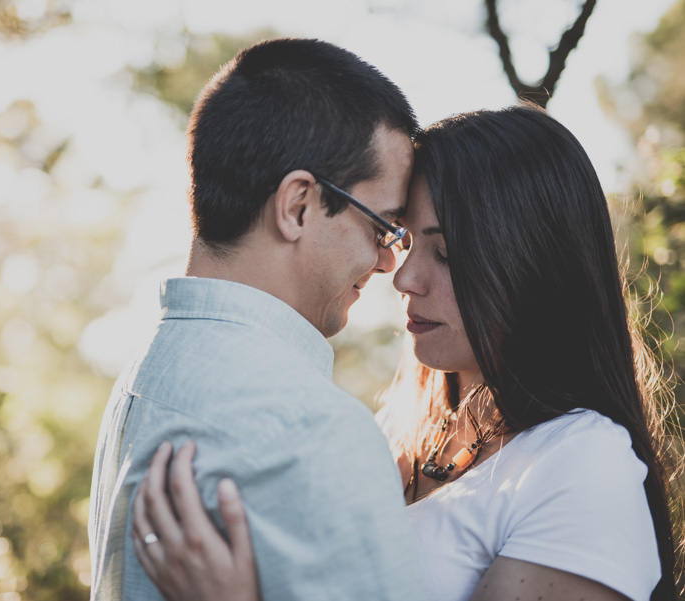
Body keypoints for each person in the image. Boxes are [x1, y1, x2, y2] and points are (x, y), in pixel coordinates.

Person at [129, 105, 679, 601]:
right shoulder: (395, 432)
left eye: (444, 252)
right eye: (403, 242)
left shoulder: (583, 462)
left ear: (533, 265)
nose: (405, 279)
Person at [88, 37, 427, 601]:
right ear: (299, 205)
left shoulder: (142, 382)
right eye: (383, 226)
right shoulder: (317, 432)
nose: (391, 262)